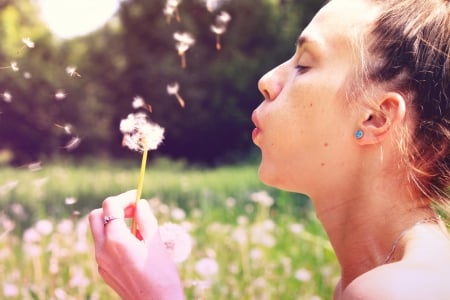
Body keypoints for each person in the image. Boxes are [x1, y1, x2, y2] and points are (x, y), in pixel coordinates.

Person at [89, 0, 450, 298]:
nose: (266, 80)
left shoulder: (396, 290)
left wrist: (157, 293)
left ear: (375, 118)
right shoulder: (385, 277)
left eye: (304, 65)